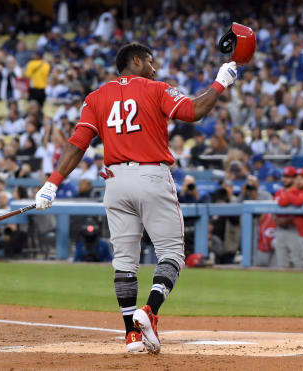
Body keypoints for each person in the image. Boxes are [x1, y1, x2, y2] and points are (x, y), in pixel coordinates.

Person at [34, 42, 238, 353]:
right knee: (172, 253)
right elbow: (193, 111)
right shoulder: (156, 88)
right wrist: (221, 81)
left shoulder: (95, 97)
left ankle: (131, 335)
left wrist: (52, 183)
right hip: (151, 176)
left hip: (115, 181)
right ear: (137, 60)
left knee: (125, 262)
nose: (155, 68)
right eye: (151, 61)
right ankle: (151, 311)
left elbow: (77, 144)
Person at [277, 168, 303, 269]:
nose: (298, 181)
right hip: (301, 232)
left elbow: (298, 202)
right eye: (296, 178)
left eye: (301, 178)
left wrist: (290, 194)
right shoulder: (295, 190)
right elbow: (281, 202)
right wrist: (291, 193)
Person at [273, 166, 301, 268]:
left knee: (298, 261)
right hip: (280, 229)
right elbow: (273, 211)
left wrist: (288, 220)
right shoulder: (278, 192)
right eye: (284, 176)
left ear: (294, 178)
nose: (285, 179)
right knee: (281, 263)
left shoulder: (299, 192)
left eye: (288, 177)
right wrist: (276, 220)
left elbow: (301, 211)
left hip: (294, 229)